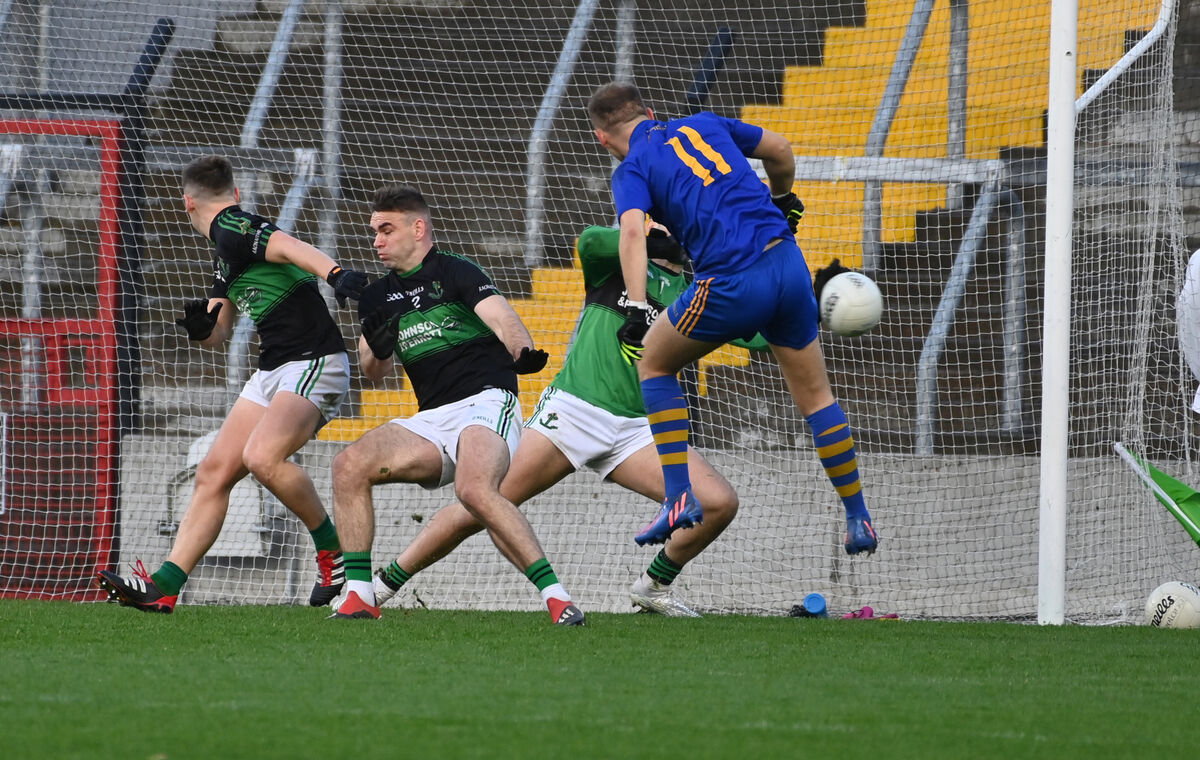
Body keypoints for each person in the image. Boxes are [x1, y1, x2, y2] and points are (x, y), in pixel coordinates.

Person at [354, 224, 750, 617]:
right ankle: (384, 585)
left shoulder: (696, 292)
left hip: (636, 429)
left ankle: (653, 586)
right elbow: (591, 242)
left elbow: (757, 328)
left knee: (718, 503)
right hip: (573, 413)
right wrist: (652, 239)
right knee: (482, 500)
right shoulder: (619, 263)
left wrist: (784, 277)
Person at [587, 81, 878, 554]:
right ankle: (858, 516)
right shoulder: (702, 122)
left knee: (654, 364)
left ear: (603, 138)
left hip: (732, 280)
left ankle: (678, 496)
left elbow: (634, 232)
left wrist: (638, 309)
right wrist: (783, 202)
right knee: (818, 398)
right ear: (651, 110)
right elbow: (780, 150)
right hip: (788, 266)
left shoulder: (631, 167)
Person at [96, 154, 370, 613]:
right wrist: (204, 328)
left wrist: (336, 275)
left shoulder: (232, 227)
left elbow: (284, 242)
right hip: (274, 369)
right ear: (235, 191)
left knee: (262, 457)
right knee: (214, 473)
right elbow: (219, 332)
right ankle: (165, 585)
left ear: (187, 203)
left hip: (315, 360)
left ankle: (332, 549)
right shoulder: (226, 252)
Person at [327, 185, 583, 624]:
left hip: (486, 401)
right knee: (347, 465)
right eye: (374, 232)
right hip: (433, 419)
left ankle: (557, 599)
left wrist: (522, 351)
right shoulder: (375, 296)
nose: (377, 241)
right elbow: (373, 371)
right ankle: (359, 595)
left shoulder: (456, 271)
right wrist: (379, 347)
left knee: (474, 490)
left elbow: (503, 318)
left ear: (418, 228)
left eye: (386, 230)